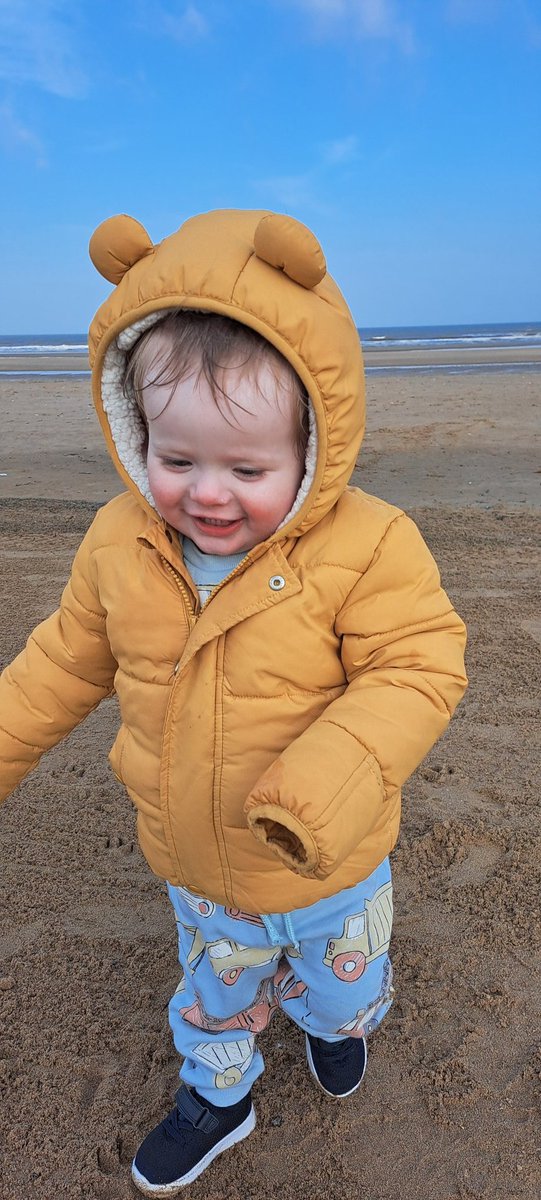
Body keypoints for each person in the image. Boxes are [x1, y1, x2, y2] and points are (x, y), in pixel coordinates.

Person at [0, 209, 467, 1195]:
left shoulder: (371, 546)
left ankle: (337, 1030)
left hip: (330, 865)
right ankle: (219, 1097)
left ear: (315, 442)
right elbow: (59, 667)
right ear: (134, 435)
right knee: (215, 995)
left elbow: (417, 668)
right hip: (198, 864)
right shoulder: (118, 542)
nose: (209, 494)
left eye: (248, 470)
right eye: (176, 460)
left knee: (343, 991)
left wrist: (325, 777)